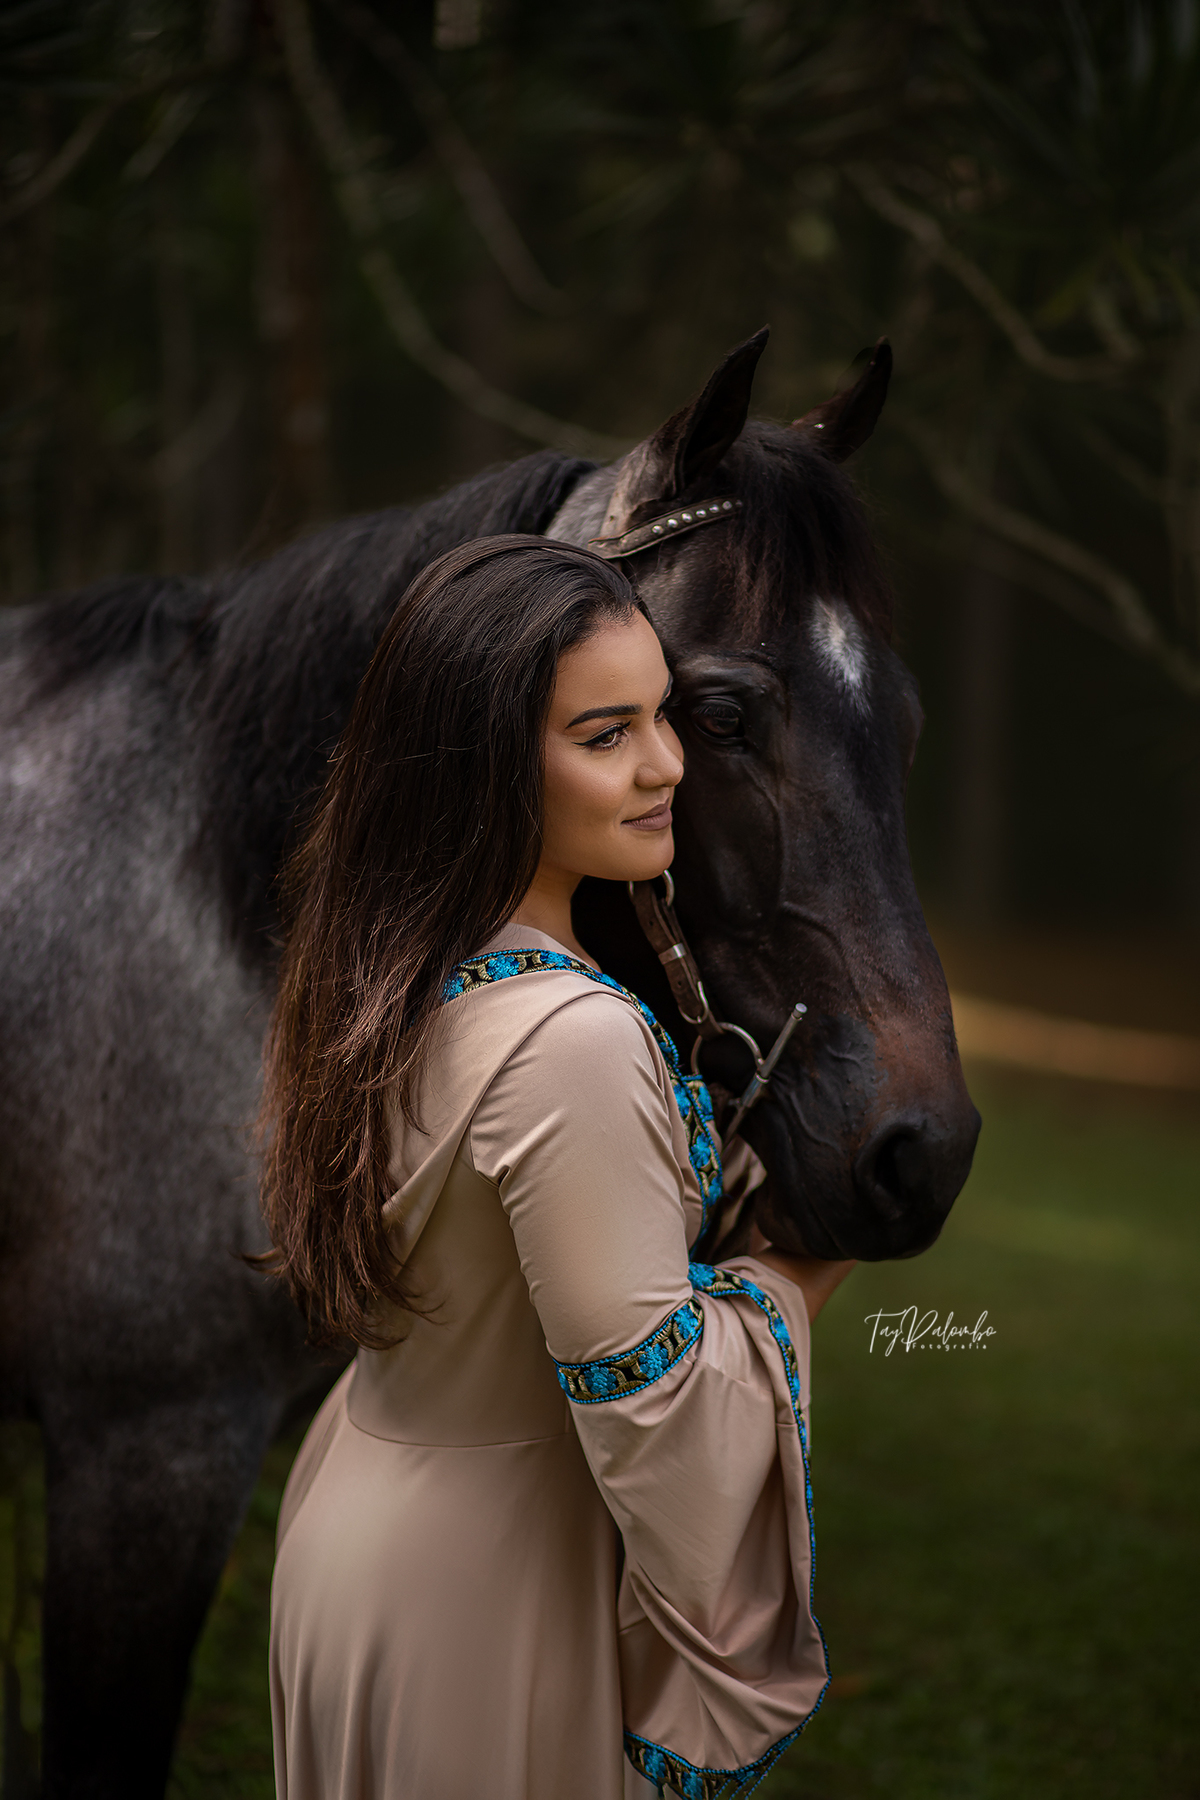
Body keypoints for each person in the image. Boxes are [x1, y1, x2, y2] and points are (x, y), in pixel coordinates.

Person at [260, 534, 855, 1800]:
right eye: (605, 734)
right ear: (481, 762)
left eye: (663, 715)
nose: (666, 765)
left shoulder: (385, 971)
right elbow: (662, 1421)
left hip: (360, 1520)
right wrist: (800, 1280)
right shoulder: (571, 1040)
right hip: (488, 1595)